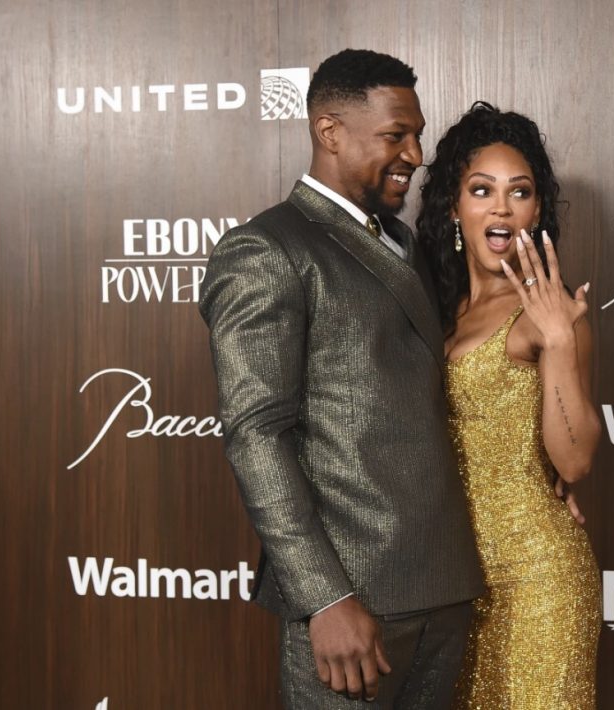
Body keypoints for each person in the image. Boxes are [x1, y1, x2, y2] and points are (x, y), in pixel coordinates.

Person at [199, 50, 484, 709]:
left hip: (442, 583)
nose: (415, 153)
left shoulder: (403, 243)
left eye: (415, 134)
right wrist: (325, 597)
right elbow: (256, 434)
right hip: (352, 597)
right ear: (329, 131)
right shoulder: (267, 251)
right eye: (395, 136)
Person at [416, 102, 603, 709]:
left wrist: (557, 340)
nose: (501, 206)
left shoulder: (547, 315)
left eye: (519, 192)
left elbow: (573, 463)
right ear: (453, 206)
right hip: (453, 585)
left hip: (538, 581)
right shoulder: (438, 315)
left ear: (537, 211)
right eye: (481, 189)